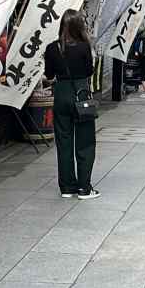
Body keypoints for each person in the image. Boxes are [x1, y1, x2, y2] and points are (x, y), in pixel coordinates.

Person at [44, 10, 99, 200]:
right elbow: (89, 71)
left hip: (61, 94)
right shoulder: (84, 47)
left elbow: (49, 75)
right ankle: (84, 188)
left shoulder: (52, 48)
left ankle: (67, 187)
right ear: (79, 26)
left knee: (64, 142)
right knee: (85, 142)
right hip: (81, 95)